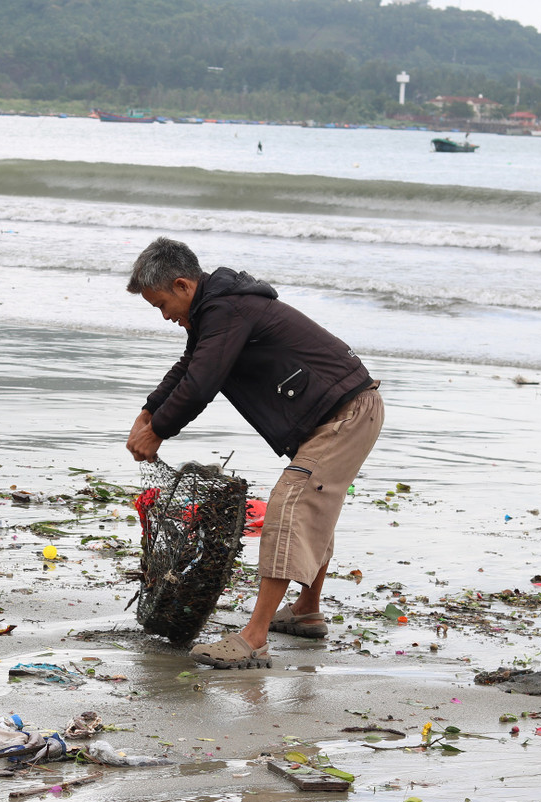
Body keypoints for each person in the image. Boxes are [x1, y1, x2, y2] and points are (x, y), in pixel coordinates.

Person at [125, 237, 383, 668]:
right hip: (337, 412)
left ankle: (255, 637)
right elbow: (190, 365)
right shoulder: (217, 309)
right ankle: (306, 610)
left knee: (289, 506)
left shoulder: (228, 310)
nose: (166, 315)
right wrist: (148, 412)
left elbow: (203, 382)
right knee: (313, 507)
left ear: (184, 285)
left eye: (162, 304)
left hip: (346, 413)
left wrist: (160, 431)